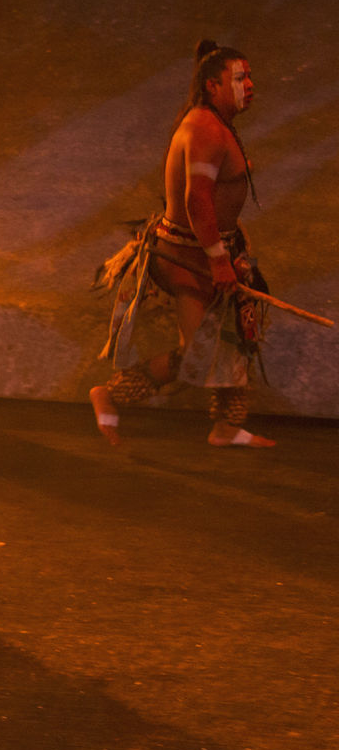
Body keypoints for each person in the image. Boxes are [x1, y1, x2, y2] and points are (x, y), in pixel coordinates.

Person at [92, 41, 275, 448]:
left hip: (209, 250)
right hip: (188, 256)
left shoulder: (214, 123)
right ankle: (111, 394)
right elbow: (197, 200)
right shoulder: (205, 130)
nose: (250, 85)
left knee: (228, 343)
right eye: (240, 78)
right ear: (213, 86)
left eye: (249, 76)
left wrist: (227, 252)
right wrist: (218, 260)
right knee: (203, 352)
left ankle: (225, 427)